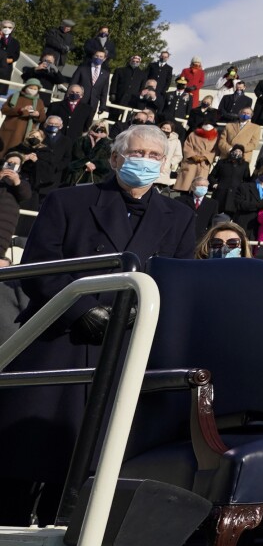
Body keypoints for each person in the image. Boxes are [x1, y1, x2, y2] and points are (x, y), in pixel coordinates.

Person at [0, 124, 199, 523]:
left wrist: (135, 314)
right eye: (137, 153)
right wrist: (82, 309)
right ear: (114, 159)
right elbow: (40, 266)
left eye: (154, 157)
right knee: (24, 458)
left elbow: (179, 280)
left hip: (125, 346)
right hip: (60, 342)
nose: (145, 162)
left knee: (87, 465)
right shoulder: (68, 201)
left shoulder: (178, 216)